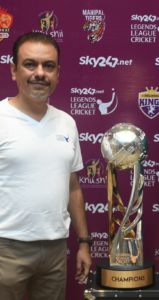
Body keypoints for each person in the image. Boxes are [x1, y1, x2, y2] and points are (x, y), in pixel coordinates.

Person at [0, 32, 92, 300]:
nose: (40, 73)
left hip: (54, 251)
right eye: (30, 64)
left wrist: (84, 242)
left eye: (48, 66)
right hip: (6, 249)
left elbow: (73, 187)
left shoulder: (67, 122)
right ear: (14, 70)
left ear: (58, 73)